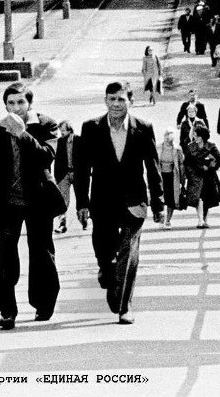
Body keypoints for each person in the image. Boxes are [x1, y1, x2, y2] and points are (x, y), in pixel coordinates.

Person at [74, 82, 163, 325]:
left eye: (121, 99)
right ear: (105, 101)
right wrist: (81, 203)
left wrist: (159, 202)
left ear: (130, 101)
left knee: (129, 251)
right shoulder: (91, 128)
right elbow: (82, 169)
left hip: (134, 202)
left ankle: (125, 305)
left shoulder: (143, 128)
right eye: (111, 99)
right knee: (104, 249)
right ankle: (107, 271)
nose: (116, 104)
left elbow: (153, 167)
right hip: (102, 202)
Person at [0, 82, 60, 330]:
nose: (16, 108)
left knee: (41, 253)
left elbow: (47, 156)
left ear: (30, 103)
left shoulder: (46, 124)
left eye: (21, 102)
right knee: (6, 256)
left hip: (38, 199)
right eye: (11, 103)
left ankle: (43, 304)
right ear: (5, 105)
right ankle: (7, 310)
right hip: (8, 202)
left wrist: (22, 134)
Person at [181, 122, 220, 229]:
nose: (194, 136)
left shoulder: (211, 147)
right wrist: (190, 173)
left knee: (207, 199)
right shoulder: (190, 147)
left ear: (202, 136)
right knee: (198, 198)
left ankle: (204, 220)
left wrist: (210, 167)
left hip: (209, 177)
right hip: (195, 176)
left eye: (196, 135)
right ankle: (200, 220)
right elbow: (186, 163)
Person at [52, 121, 76, 234]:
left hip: (77, 173)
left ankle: (84, 219)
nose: (61, 133)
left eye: (63, 131)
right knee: (62, 201)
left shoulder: (79, 140)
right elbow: (57, 160)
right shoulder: (60, 141)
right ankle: (62, 224)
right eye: (60, 131)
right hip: (64, 174)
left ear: (69, 130)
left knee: (82, 198)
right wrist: (57, 177)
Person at [157, 127, 184, 227]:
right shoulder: (158, 147)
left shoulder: (177, 148)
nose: (167, 139)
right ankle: (161, 219)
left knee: (171, 199)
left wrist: (182, 179)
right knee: (159, 197)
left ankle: (168, 220)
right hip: (160, 175)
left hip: (172, 176)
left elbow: (181, 164)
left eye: (169, 137)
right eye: (166, 136)